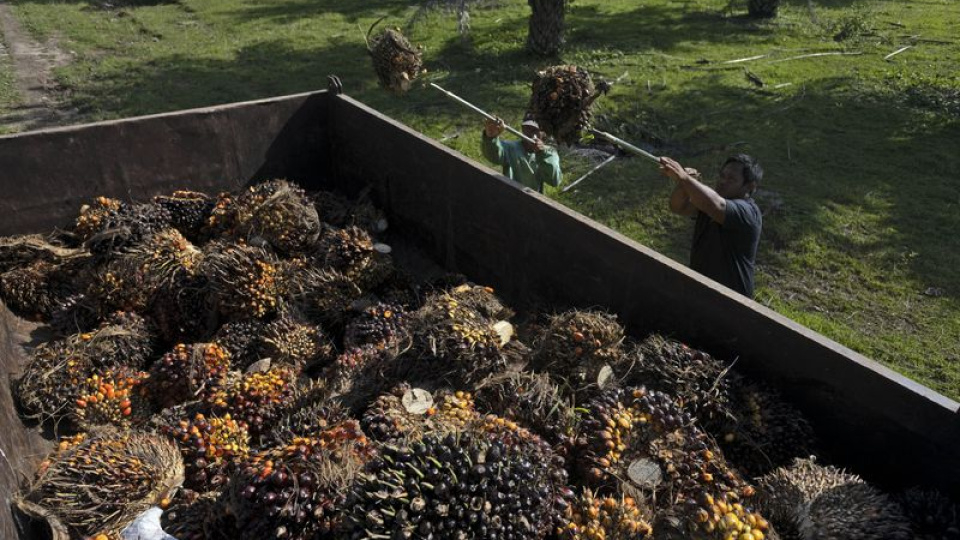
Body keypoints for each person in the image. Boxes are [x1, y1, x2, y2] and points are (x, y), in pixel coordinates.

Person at [661, 154, 763, 298]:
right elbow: (678, 207)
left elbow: (716, 205)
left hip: (733, 301)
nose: (722, 181)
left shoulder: (748, 212)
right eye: (722, 175)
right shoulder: (708, 203)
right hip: (700, 290)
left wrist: (684, 178)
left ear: (749, 186)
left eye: (731, 179)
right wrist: (684, 185)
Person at [481, 116, 562, 193]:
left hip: (534, 202)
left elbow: (554, 180)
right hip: (508, 195)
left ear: (544, 133)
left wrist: (541, 153)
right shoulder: (510, 147)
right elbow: (493, 155)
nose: (530, 133)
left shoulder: (549, 153)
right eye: (527, 128)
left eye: (535, 130)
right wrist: (491, 136)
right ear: (522, 130)